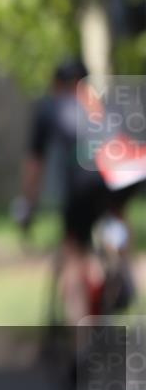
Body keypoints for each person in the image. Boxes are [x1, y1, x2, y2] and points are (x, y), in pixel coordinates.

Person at [16, 59, 141, 322]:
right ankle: (121, 264)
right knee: (117, 214)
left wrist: (27, 205)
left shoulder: (52, 106)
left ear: (57, 84)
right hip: (127, 173)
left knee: (73, 251)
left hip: (86, 180)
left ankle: (81, 335)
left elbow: (34, 166)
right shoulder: (108, 102)